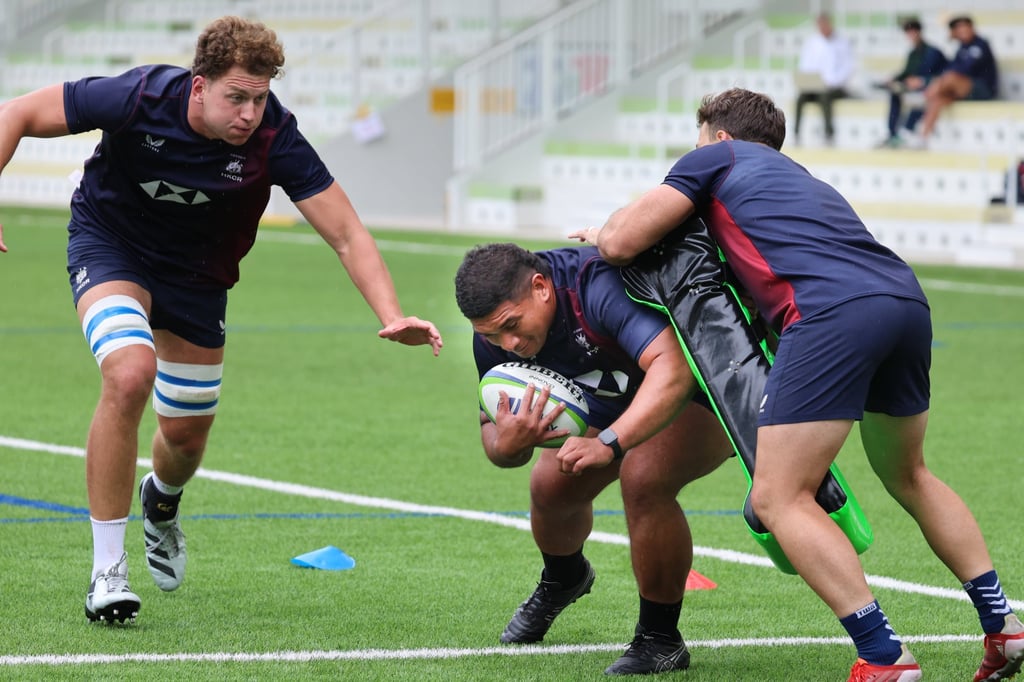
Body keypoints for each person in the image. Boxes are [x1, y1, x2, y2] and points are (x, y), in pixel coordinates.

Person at [0, 15, 443, 625]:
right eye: (237, 97)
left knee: (184, 439)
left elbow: (345, 233)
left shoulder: (275, 137)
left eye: (260, 98)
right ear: (198, 85)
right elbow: (14, 113)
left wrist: (393, 315)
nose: (249, 113)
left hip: (199, 278)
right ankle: (108, 572)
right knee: (129, 374)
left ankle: (162, 503)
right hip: (111, 246)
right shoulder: (138, 96)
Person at [576, 87, 1024, 681]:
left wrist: (601, 229)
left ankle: (884, 657)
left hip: (829, 314)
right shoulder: (798, 176)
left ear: (718, 135)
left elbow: (620, 241)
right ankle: (1005, 627)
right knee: (910, 474)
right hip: (904, 302)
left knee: (778, 497)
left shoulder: (717, 157)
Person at [454, 242, 734, 676]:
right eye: (491, 334)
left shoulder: (596, 287)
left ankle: (660, 639)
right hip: (616, 392)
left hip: (704, 380)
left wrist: (610, 442)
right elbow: (490, 434)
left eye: (511, 325)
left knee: (643, 477)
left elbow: (673, 367)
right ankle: (565, 577)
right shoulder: (493, 334)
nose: (506, 344)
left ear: (541, 287)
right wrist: (509, 446)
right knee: (550, 486)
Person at [918, 15, 999, 148]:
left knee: (948, 78)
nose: (961, 32)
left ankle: (923, 99)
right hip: (964, 90)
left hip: (983, 89)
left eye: (963, 28)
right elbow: (949, 68)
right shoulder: (961, 48)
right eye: (958, 29)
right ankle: (922, 138)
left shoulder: (981, 44)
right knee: (937, 99)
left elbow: (965, 69)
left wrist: (938, 83)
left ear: (972, 28)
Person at [873, 17, 948, 148]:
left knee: (920, 98)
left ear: (919, 31)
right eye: (908, 32)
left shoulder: (933, 52)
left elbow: (943, 74)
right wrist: (893, 79)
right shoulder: (913, 53)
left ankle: (907, 131)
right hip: (913, 87)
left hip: (931, 88)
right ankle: (892, 134)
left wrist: (923, 81)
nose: (911, 35)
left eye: (913, 31)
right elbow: (906, 72)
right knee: (895, 92)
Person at [792, 12, 855, 146]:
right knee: (800, 98)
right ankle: (796, 133)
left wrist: (832, 82)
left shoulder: (842, 42)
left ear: (829, 24)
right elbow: (805, 65)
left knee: (825, 97)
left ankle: (829, 134)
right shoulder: (812, 42)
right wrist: (808, 81)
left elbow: (847, 67)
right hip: (816, 85)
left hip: (836, 87)